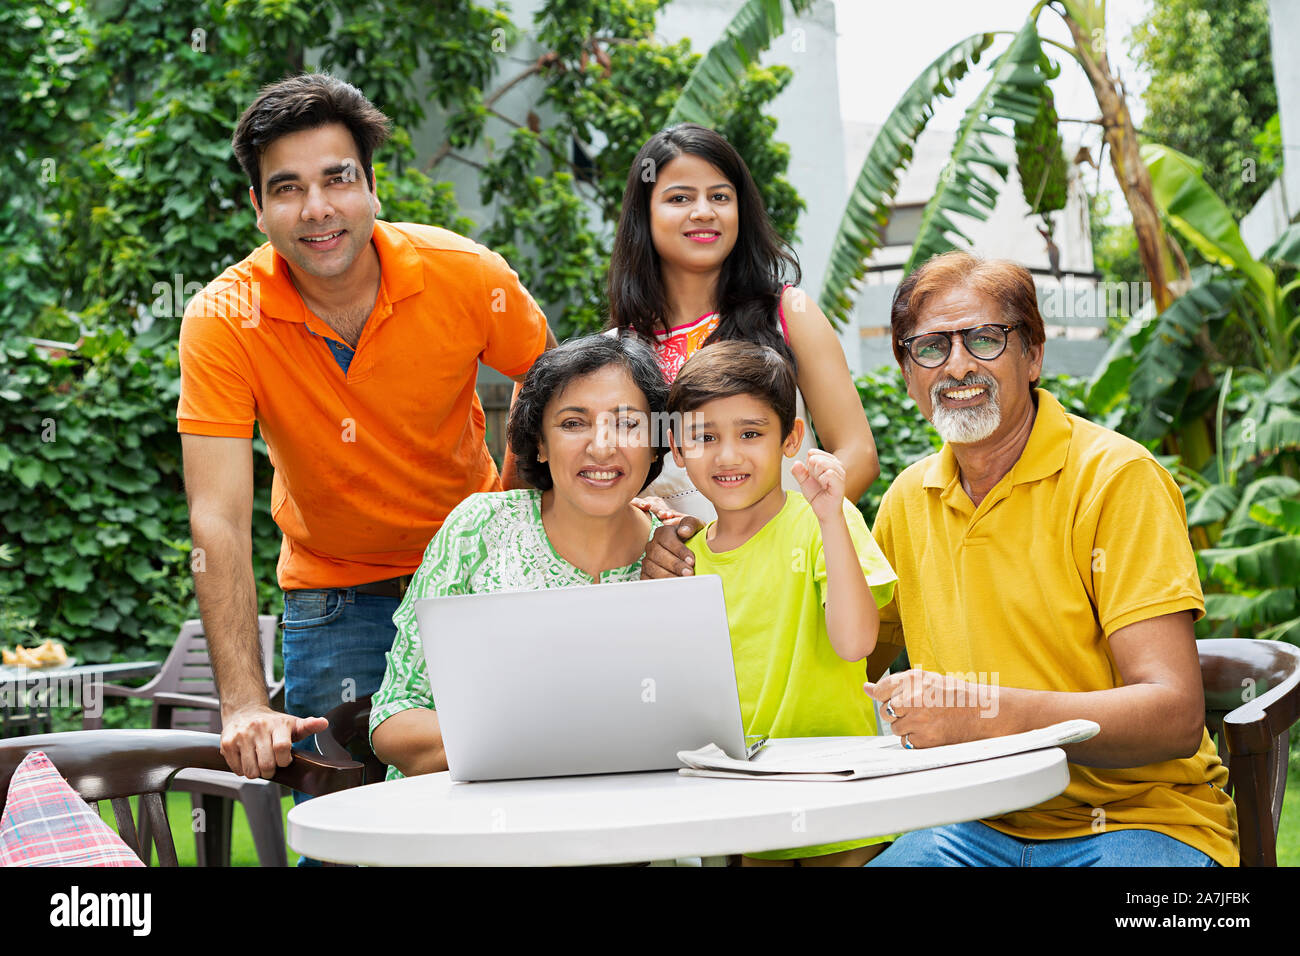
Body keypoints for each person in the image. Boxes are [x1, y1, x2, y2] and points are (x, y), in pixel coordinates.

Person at [177, 73, 556, 783]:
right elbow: (217, 517)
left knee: (509, 799)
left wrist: (508, 514)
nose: (317, 209)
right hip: (336, 594)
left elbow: (562, 395)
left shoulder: (467, 276)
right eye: (287, 188)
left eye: (337, 179)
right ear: (258, 208)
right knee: (344, 829)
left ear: (372, 187)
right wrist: (243, 706)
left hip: (477, 582)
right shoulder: (223, 318)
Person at [862, 251, 1237, 867]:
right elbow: (848, 664)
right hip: (972, 824)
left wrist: (980, 712)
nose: (956, 365)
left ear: (1032, 355)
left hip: (1141, 821)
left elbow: (1172, 714)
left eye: (984, 339)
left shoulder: (1118, 479)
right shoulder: (908, 500)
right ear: (908, 373)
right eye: (929, 347)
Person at [369, 334, 668, 778]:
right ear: (540, 444)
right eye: (572, 423)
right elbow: (393, 722)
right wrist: (540, 737)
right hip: (464, 831)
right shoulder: (479, 530)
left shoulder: (676, 559)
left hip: (615, 832)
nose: (602, 446)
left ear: (656, 442)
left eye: (627, 424)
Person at [665, 340, 898, 866]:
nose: (728, 455)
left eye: (751, 433)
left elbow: (856, 641)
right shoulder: (687, 560)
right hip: (750, 812)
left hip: (842, 795)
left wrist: (832, 519)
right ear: (677, 451)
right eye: (704, 437)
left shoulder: (823, 524)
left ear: (789, 438)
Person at [607, 123, 879, 526]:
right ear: (643, 216)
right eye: (680, 197)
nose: (704, 211)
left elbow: (857, 453)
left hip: (792, 571)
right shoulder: (616, 351)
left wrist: (782, 545)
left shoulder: (790, 313)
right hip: (672, 578)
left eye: (720, 196)